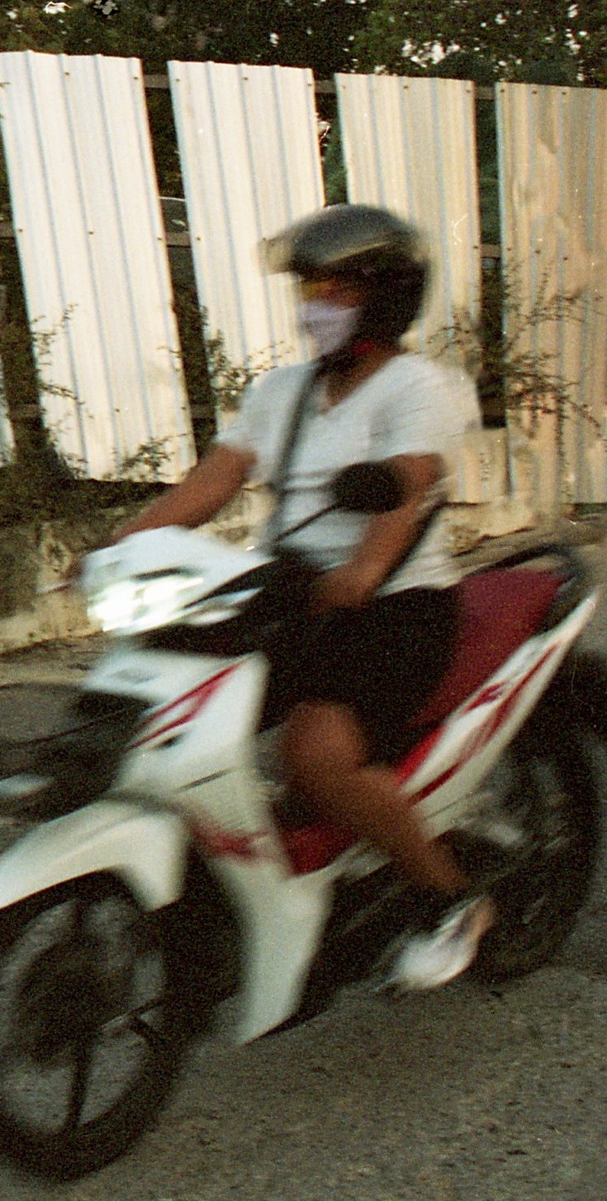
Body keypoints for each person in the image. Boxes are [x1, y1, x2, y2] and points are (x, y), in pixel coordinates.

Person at [111, 204, 491, 990]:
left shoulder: (422, 387)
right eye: (310, 286)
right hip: (288, 595)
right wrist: (126, 543)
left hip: (393, 607)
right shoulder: (282, 391)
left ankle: (446, 899)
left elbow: (410, 486)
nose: (315, 303)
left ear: (385, 297)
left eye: (335, 288)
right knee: (169, 722)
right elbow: (216, 479)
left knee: (313, 758)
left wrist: (362, 569)